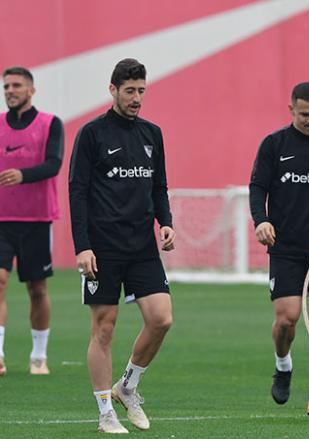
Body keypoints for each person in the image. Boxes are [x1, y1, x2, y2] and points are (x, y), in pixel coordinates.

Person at [69, 58, 175, 434]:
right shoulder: (92, 134)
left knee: (162, 318)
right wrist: (82, 246)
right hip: (103, 247)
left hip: (142, 246)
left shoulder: (152, 133)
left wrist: (167, 223)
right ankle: (105, 413)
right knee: (104, 329)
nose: (136, 98)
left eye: (141, 91)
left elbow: (158, 185)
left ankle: (127, 386)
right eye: (129, 91)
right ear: (112, 90)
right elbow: (77, 191)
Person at [249, 82, 309, 405]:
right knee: (287, 317)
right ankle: (283, 365)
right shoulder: (274, 144)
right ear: (291, 110)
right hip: (286, 245)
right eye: (304, 114)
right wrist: (261, 220)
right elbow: (258, 187)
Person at [0, 66, 64, 376]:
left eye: (16, 85)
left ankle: (39, 355)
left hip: (37, 219)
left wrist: (23, 175)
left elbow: (54, 164)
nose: (10, 90)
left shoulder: (50, 124)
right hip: (1, 220)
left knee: (37, 289)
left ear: (31, 90)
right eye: (6, 86)